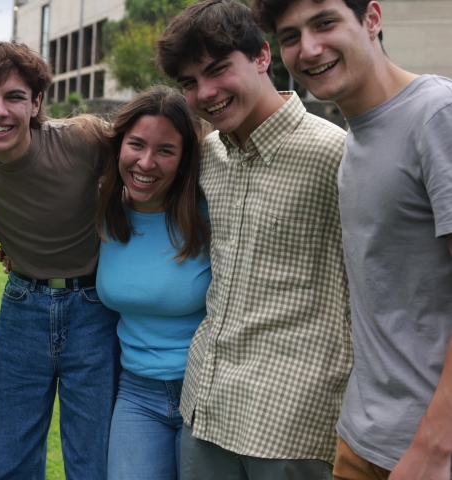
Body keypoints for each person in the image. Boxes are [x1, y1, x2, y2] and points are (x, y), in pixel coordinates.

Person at [154, 0, 352, 478]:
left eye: (218, 69)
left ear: (262, 56)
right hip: (207, 407)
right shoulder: (207, 158)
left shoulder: (336, 155)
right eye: (189, 82)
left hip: (294, 422)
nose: (205, 92)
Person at [255, 1, 452, 478]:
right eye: (290, 36)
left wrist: (434, 446)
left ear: (372, 18)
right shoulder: (356, 138)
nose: (309, 49)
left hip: (426, 451)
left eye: (325, 23)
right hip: (362, 439)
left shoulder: (435, 115)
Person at [0, 41, 119, 480]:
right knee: (3, 462)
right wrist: (6, 237)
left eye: (14, 97)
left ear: (37, 103)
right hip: (23, 308)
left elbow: (150, 154)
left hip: (95, 309)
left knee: (93, 462)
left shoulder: (81, 141)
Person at [95, 85, 210, 480]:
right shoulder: (101, 211)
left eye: (166, 150)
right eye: (137, 144)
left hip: (205, 393)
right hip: (137, 393)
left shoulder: (209, 216)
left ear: (185, 159)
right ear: (119, 145)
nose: (146, 162)